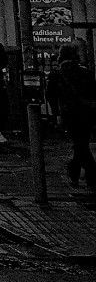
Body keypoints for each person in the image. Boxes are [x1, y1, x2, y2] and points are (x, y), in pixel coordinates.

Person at [45, 44, 96, 188]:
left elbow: (51, 96)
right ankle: (76, 174)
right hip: (87, 114)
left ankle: (90, 175)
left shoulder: (57, 74)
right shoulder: (86, 73)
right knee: (82, 144)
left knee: (80, 146)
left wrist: (56, 114)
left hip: (69, 114)